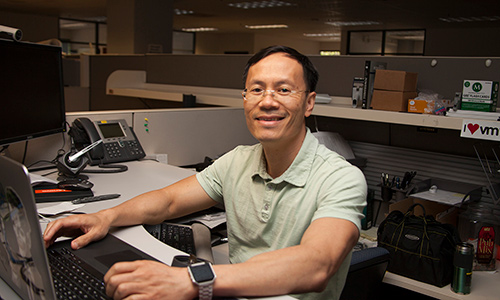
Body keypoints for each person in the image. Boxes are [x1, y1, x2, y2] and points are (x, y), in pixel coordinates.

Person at [43, 45, 367, 300]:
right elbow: (168, 201)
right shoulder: (238, 161)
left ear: (309, 103)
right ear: (244, 99)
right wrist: (105, 218)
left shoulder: (340, 178)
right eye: (256, 90)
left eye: (284, 90)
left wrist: (193, 280)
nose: (267, 101)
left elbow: (317, 265)